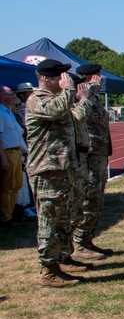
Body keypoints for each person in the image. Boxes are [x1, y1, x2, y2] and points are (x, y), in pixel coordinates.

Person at [25, 59, 82, 287]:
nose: (64, 79)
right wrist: (69, 90)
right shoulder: (37, 100)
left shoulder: (58, 99)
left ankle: (57, 263)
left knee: (61, 219)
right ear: (47, 78)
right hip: (47, 170)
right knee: (49, 220)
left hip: (61, 169)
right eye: (60, 76)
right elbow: (56, 111)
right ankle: (47, 269)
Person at [71, 64, 114, 260]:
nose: (100, 80)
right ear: (89, 77)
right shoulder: (78, 95)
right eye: (97, 76)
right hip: (87, 154)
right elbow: (80, 117)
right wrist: (91, 89)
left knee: (96, 200)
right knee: (88, 199)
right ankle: (79, 243)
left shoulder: (92, 97)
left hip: (98, 154)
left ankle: (87, 240)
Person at [1, 86, 25, 227]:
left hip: (16, 152)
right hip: (7, 152)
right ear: (2, 96)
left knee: (16, 185)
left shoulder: (8, 112)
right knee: (7, 186)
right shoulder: (0, 113)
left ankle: (10, 214)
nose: (13, 97)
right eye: (10, 94)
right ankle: (5, 218)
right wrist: (3, 158)